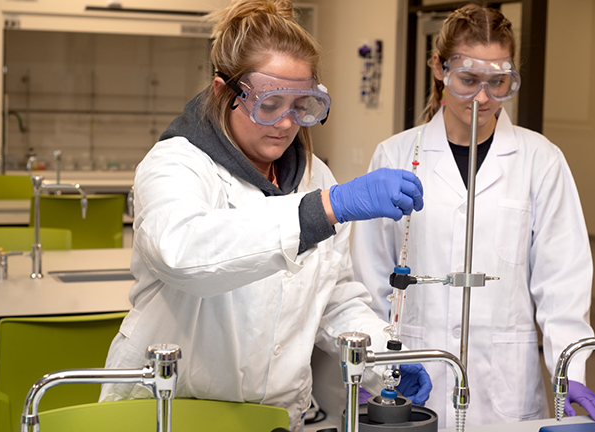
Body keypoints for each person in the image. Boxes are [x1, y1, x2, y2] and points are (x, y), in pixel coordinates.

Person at [99, 1, 431, 430]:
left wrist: (383, 360)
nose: (287, 123)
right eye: (270, 103)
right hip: (171, 410)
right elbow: (182, 254)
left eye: (301, 105)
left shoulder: (313, 176)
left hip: (274, 416)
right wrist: (322, 209)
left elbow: (332, 298)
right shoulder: (176, 164)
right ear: (223, 92)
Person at [352, 4, 595, 429]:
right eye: (468, 79)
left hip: (505, 388)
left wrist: (571, 369)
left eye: (497, 83)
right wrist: (373, 367)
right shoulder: (396, 155)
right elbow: (370, 277)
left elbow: (562, 281)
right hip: (415, 376)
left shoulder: (540, 160)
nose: (482, 98)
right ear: (439, 68)